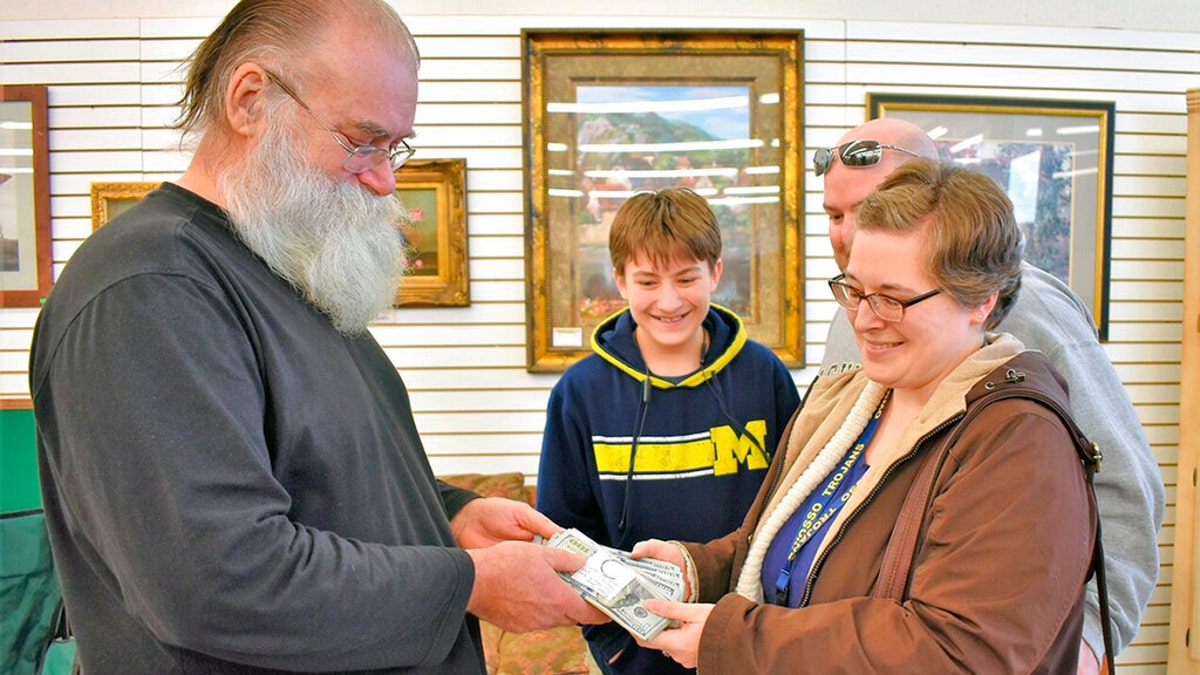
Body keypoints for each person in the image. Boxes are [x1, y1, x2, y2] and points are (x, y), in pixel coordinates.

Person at [28, 1, 603, 673]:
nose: (386, 178)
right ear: (249, 100)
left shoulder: (291, 274)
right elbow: (221, 581)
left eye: (394, 147)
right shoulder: (151, 288)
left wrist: (449, 517)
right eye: (362, 141)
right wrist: (470, 581)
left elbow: (328, 486)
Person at [633, 158, 1099, 672]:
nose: (864, 319)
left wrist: (737, 639)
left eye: (894, 300)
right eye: (853, 291)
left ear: (981, 301)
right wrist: (693, 568)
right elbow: (790, 547)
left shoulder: (1019, 443)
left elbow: (955, 651)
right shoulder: (850, 397)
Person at [817, 117, 1164, 672]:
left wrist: (1093, 637)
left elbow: (1125, 486)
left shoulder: (1036, 313)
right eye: (836, 214)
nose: (852, 233)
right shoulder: (850, 311)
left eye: (876, 206)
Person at [536, 187, 800, 674]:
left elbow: (797, 508)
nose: (669, 300)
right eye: (647, 281)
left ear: (716, 273)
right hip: (634, 651)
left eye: (686, 278)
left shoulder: (764, 376)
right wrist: (612, 642)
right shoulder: (581, 393)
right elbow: (563, 534)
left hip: (749, 641)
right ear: (619, 280)